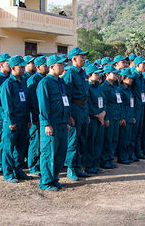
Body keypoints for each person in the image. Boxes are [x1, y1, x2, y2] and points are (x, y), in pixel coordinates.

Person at [37, 55, 72, 191]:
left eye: (63, 65)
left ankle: (54, 178)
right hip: (51, 124)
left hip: (62, 122)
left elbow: (65, 102)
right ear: (51, 67)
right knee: (49, 153)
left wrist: (67, 120)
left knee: (60, 152)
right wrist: (46, 124)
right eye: (60, 65)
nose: (63, 67)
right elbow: (43, 106)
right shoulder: (45, 83)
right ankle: (46, 182)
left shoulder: (61, 82)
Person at [0, 55, 32, 183]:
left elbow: (27, 101)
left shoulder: (23, 81)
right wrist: (11, 121)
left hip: (23, 119)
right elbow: (7, 105)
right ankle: (8, 173)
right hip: (12, 120)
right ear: (13, 68)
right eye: (21, 67)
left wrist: (28, 118)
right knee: (9, 147)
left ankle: (18, 170)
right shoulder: (7, 84)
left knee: (20, 147)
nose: (24, 69)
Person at [62, 47, 90, 181]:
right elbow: (66, 97)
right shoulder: (70, 74)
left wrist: (88, 113)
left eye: (84, 57)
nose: (84, 59)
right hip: (74, 108)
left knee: (82, 140)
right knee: (73, 141)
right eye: (81, 57)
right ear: (74, 59)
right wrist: (69, 115)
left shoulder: (83, 74)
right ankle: (71, 168)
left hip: (84, 108)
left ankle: (78, 167)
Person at [26, 56, 48, 176]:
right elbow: (32, 101)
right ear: (38, 67)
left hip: (43, 115)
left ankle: (41, 164)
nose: (47, 68)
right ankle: (33, 166)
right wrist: (35, 117)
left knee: (42, 142)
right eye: (45, 66)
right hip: (35, 115)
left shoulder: (46, 79)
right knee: (35, 141)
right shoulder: (33, 80)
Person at [100, 65, 123, 169]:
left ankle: (110, 159)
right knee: (108, 139)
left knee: (114, 139)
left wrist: (120, 116)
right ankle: (105, 160)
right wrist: (106, 118)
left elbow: (119, 102)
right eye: (113, 73)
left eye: (116, 73)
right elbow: (104, 104)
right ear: (106, 74)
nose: (116, 75)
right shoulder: (103, 87)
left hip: (116, 116)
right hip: (109, 115)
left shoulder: (115, 87)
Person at [85, 64, 106, 174]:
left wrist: (103, 113)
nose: (98, 76)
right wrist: (96, 115)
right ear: (90, 75)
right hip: (93, 119)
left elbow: (104, 101)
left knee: (98, 143)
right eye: (96, 73)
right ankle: (89, 165)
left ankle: (95, 164)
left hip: (100, 117)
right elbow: (87, 103)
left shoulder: (98, 86)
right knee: (91, 143)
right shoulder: (87, 87)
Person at [130, 56, 145, 161]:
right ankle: (131, 153)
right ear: (137, 65)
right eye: (143, 64)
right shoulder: (133, 76)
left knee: (139, 131)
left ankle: (138, 151)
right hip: (134, 107)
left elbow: (143, 93)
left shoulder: (142, 77)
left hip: (141, 107)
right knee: (133, 131)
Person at [118, 68, 135, 164]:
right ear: (123, 78)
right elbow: (121, 105)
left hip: (130, 116)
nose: (131, 80)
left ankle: (128, 155)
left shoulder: (129, 90)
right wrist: (122, 117)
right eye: (129, 78)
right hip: (125, 116)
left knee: (129, 137)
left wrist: (132, 116)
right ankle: (122, 157)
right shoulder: (120, 90)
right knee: (124, 139)